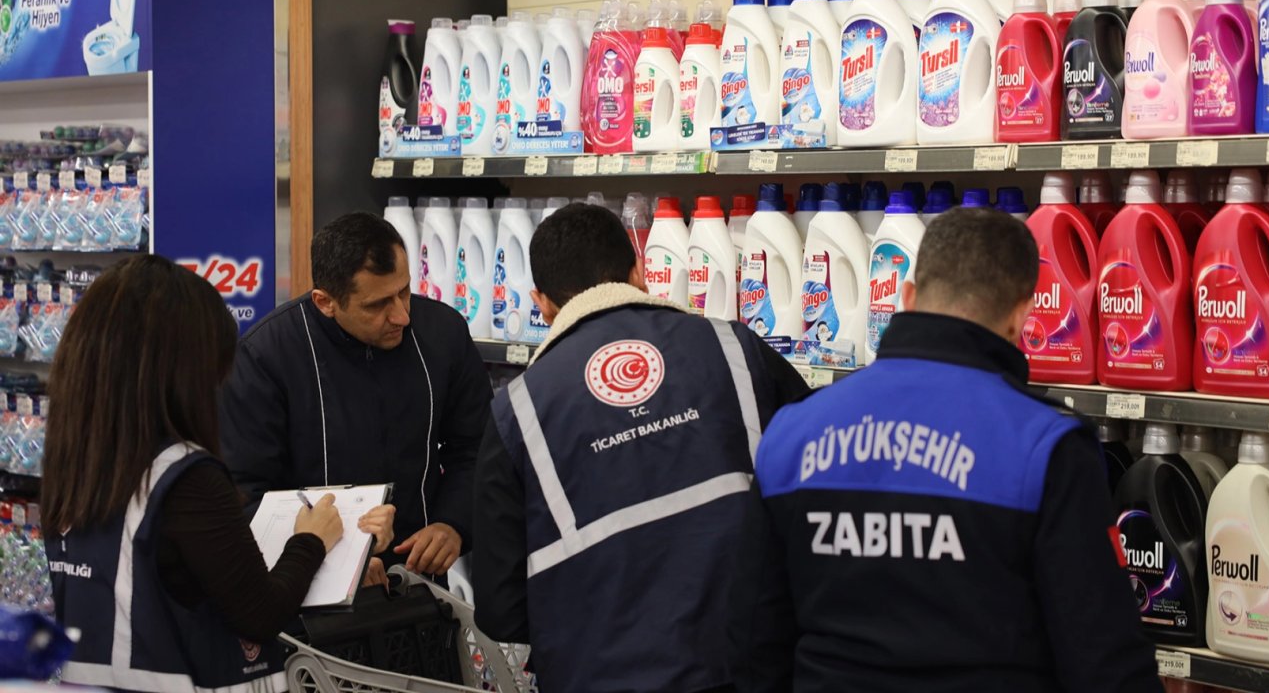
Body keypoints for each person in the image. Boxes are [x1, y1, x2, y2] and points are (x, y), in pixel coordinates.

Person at [752, 209, 1162, 692]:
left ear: (907, 296)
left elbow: (756, 640)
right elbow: (1105, 661)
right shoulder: (1045, 446)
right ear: (1021, 315)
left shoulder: (790, 433)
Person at [472, 203, 810, 693]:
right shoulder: (734, 348)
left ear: (542, 303)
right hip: (749, 666)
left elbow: (501, 611)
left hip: (599, 673)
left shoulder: (515, 411)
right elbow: (821, 477)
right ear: (640, 271)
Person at [43, 256, 356, 691]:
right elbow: (261, 612)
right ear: (181, 369)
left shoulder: (78, 462)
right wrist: (312, 540)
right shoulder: (186, 477)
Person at [220, 212, 492, 579]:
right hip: (306, 589)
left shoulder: (443, 334)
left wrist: (454, 524)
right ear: (324, 302)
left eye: (404, 292)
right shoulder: (266, 357)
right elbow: (244, 495)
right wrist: (339, 560)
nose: (401, 316)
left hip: (419, 584)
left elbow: (478, 447)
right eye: (377, 305)